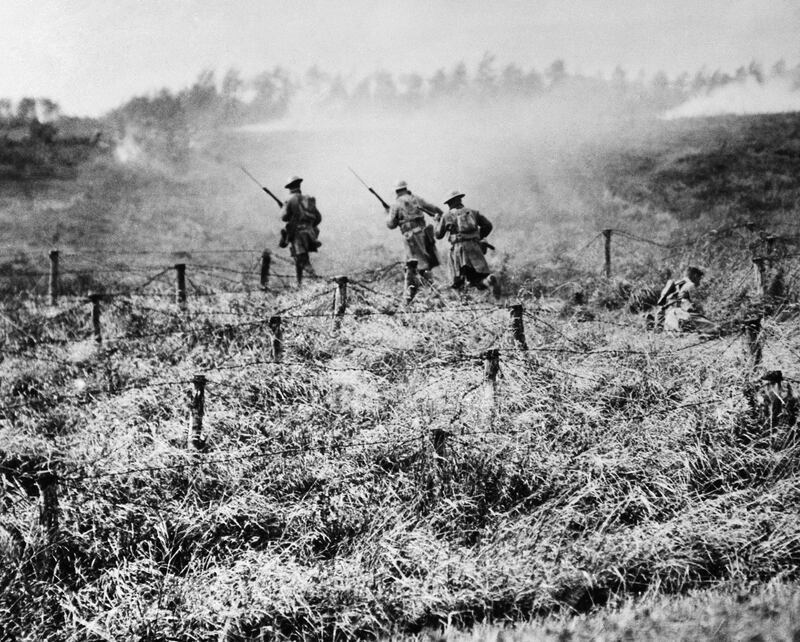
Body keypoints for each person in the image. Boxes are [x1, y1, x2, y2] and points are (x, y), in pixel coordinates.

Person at [434, 189, 500, 298]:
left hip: (459, 251)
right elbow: (488, 226)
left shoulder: (446, 216)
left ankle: (463, 302)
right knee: (478, 279)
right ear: (460, 200)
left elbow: (438, 235)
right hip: (475, 247)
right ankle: (489, 280)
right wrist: (478, 237)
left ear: (451, 202)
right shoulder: (473, 212)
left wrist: (437, 221)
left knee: (457, 281)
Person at [386, 180, 442, 303]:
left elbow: (391, 224)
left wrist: (387, 212)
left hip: (410, 238)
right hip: (424, 235)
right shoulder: (416, 199)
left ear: (396, 191)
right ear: (406, 188)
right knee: (423, 264)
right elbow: (434, 208)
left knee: (414, 266)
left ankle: (433, 293)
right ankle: (417, 294)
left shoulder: (395, 204)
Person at [648, 266, 718, 335]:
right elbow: (698, 307)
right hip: (680, 317)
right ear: (695, 276)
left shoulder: (675, 286)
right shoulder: (690, 285)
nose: (699, 283)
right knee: (716, 328)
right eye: (699, 279)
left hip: (668, 322)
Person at [280, 175, 321, 286]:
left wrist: (283, 208)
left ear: (289, 187)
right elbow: (318, 218)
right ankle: (300, 284)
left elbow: (284, 217)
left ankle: (318, 283)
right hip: (310, 234)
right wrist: (309, 226)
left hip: (298, 235)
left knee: (302, 260)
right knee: (300, 259)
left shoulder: (290, 200)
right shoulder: (307, 199)